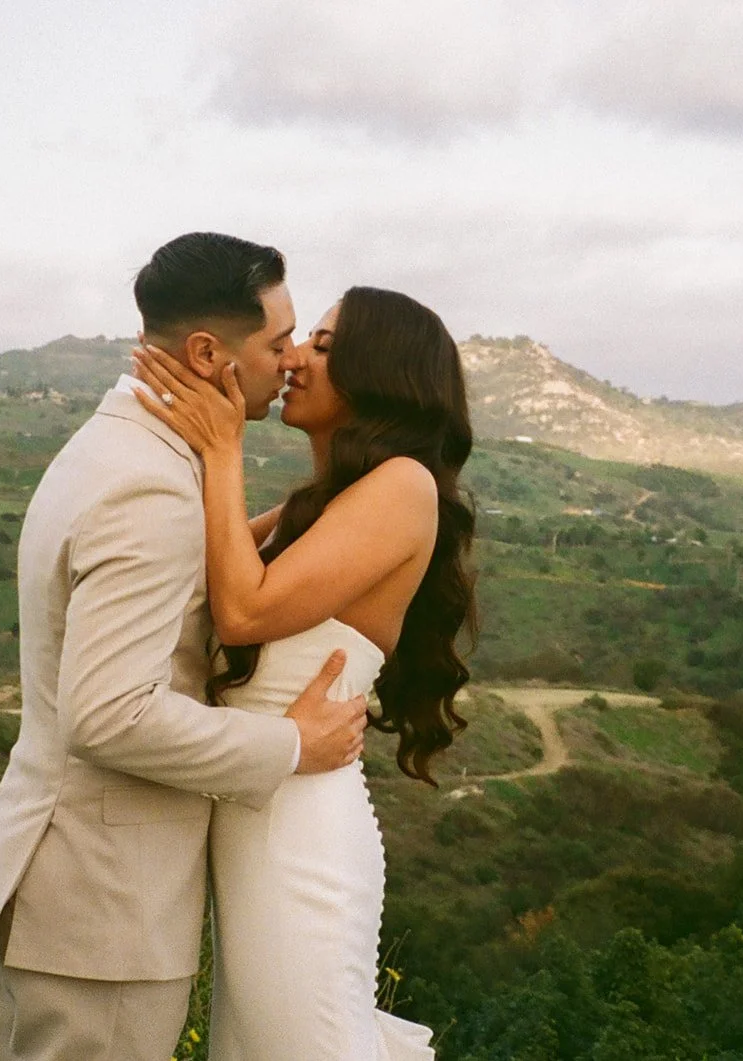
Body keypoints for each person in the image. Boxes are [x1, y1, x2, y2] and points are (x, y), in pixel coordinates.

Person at [0, 232, 372, 1061]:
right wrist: (293, 743)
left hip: (80, 899)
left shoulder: (126, 449)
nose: (289, 361)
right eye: (276, 342)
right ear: (210, 352)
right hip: (98, 907)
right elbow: (110, 715)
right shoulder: (149, 483)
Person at [131, 284, 477, 1060]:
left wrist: (224, 449)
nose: (294, 359)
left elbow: (244, 612)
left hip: (300, 843)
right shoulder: (313, 508)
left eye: (322, 345)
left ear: (379, 371)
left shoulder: (403, 486)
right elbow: (197, 569)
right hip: (255, 827)